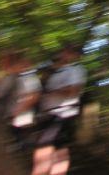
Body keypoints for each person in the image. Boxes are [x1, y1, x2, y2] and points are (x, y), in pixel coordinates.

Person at [31, 43, 87, 175]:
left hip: (62, 113)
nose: (64, 53)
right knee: (55, 147)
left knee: (46, 147)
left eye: (69, 51)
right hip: (49, 113)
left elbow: (74, 90)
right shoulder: (54, 68)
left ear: (77, 55)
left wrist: (50, 90)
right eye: (65, 51)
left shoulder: (76, 69)